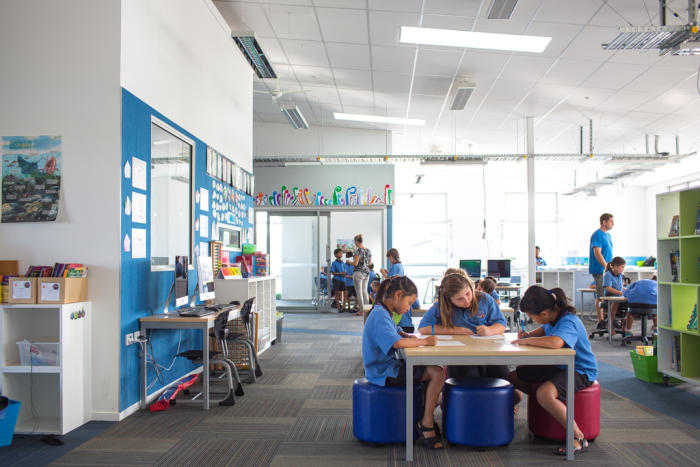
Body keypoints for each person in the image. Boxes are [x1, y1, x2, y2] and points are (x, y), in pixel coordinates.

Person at [508, 286, 597, 455]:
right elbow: (542, 331)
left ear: (544, 313)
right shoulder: (552, 319)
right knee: (514, 376)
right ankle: (546, 404)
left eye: (531, 316)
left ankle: (578, 437)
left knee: (544, 393)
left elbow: (555, 342)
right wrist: (528, 335)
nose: (530, 318)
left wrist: (527, 342)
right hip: (557, 365)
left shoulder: (568, 321)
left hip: (580, 370)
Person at [362, 276, 445, 449]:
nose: (408, 309)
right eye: (409, 303)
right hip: (384, 373)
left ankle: (423, 415)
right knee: (437, 373)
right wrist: (424, 342)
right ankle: (426, 422)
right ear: (398, 295)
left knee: (431, 373)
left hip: (385, 368)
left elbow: (396, 331)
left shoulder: (382, 311)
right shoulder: (379, 315)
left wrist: (406, 335)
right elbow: (397, 343)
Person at [417, 273, 508, 379]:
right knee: (470, 378)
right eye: (459, 299)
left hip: (488, 352)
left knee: (503, 377)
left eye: (468, 293)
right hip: (460, 355)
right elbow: (423, 328)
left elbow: (501, 324)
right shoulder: (441, 306)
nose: (466, 300)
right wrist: (454, 330)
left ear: (471, 287)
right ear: (449, 299)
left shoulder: (485, 299)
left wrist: (490, 330)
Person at [589, 213, 614, 329]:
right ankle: (601, 321)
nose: (612, 224)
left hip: (608, 269)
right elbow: (597, 253)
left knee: (609, 294)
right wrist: (606, 267)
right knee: (601, 295)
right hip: (600, 270)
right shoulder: (597, 235)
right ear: (604, 222)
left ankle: (609, 319)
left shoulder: (607, 236)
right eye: (610, 221)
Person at [603, 256, 626, 335]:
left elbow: (621, 287)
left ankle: (625, 328)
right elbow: (608, 288)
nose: (623, 269)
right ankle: (610, 325)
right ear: (615, 266)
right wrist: (620, 293)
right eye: (622, 267)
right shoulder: (608, 275)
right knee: (616, 302)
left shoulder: (620, 275)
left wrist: (626, 290)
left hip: (619, 298)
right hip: (609, 299)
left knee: (628, 304)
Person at [350, 234, 372, 311]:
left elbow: (355, 263)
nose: (354, 243)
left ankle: (361, 311)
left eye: (354, 241)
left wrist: (349, 262)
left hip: (358, 273)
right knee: (365, 292)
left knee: (359, 292)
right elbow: (370, 263)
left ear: (356, 241)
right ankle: (367, 310)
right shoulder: (368, 250)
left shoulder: (358, 250)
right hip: (366, 273)